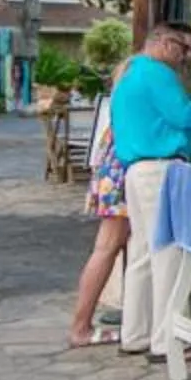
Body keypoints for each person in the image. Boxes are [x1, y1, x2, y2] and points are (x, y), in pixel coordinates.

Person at [109, 22, 191, 359]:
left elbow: (174, 121)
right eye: (185, 49)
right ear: (166, 43)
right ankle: (168, 340)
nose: (187, 57)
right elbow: (185, 116)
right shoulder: (157, 73)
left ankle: (135, 334)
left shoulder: (131, 72)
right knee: (168, 254)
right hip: (160, 169)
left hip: (138, 170)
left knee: (141, 254)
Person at [63, 62, 131, 348]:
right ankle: (81, 326)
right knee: (107, 248)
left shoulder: (119, 101)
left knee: (111, 248)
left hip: (110, 175)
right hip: (121, 176)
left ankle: (85, 322)